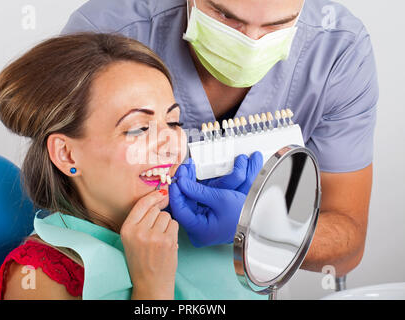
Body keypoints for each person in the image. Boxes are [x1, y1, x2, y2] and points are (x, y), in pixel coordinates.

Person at [62, 0, 378, 277]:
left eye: (277, 24)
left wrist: (258, 229)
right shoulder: (107, 32)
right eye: (226, 16)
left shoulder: (338, 50)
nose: (251, 42)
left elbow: (347, 247)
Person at [0, 33, 262, 300]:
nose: (169, 143)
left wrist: (252, 240)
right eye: (139, 128)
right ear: (67, 155)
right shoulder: (36, 277)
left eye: (173, 122)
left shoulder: (193, 227)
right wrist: (151, 287)